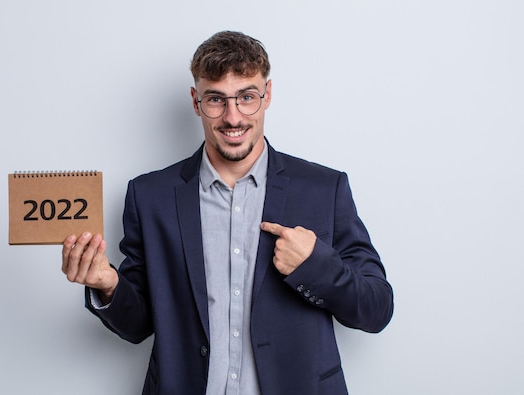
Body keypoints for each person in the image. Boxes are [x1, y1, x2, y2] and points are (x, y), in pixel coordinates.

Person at [61, 31, 393, 395]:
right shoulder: (150, 196)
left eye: (247, 97)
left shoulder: (323, 189)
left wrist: (315, 265)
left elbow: (377, 309)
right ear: (196, 100)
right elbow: (138, 324)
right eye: (216, 99)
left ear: (267, 95)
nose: (233, 117)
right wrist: (108, 285)